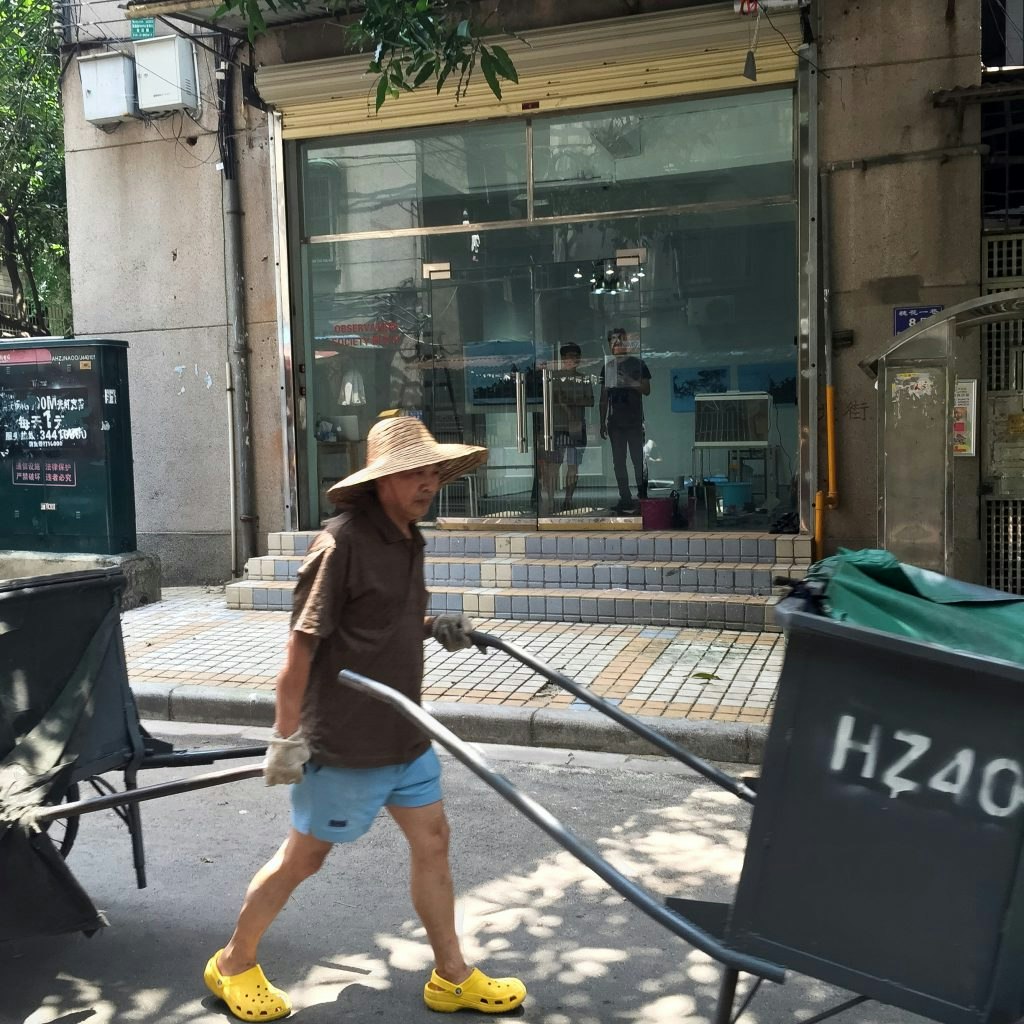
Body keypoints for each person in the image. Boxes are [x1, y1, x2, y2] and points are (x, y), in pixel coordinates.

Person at [203, 416, 527, 1021]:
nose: (427, 481)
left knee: (433, 841)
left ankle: (452, 975)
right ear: (382, 480)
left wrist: (437, 628)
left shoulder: (409, 535)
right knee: (306, 857)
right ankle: (233, 963)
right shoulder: (342, 543)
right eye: (413, 472)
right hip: (347, 742)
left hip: (405, 734)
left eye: (432, 470)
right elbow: (301, 647)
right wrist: (287, 736)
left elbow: (383, 621)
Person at [599, 327, 651, 513]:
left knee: (639, 460)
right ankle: (625, 497)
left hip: (635, 420)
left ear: (627, 342)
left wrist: (629, 381)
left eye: (620, 340)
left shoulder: (638, 364)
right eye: (613, 340)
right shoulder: (608, 367)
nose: (617, 344)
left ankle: (642, 497)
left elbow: (646, 389)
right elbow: (604, 396)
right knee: (618, 461)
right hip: (615, 422)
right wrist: (602, 421)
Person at [540, 343, 594, 513]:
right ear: (563, 358)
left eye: (576, 355)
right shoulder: (553, 378)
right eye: (569, 355)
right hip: (556, 427)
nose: (573, 359)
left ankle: (568, 500)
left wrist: (568, 401)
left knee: (573, 465)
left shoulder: (584, 378)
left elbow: (591, 400)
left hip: (576, 428)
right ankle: (550, 501)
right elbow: (551, 400)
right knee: (553, 466)